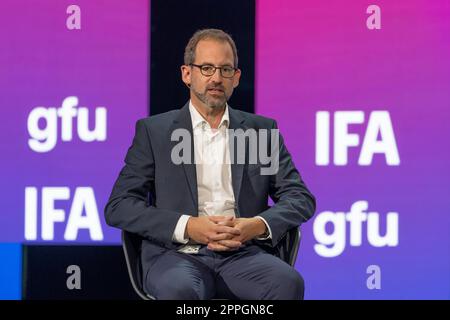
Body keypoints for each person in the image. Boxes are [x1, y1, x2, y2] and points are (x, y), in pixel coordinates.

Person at [105, 28, 316, 300]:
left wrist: (255, 225)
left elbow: (300, 198)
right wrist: (189, 226)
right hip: (177, 255)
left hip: (243, 256)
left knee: (287, 283)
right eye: (206, 68)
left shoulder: (260, 132)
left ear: (236, 78)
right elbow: (119, 206)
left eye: (225, 70)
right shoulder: (154, 132)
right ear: (187, 74)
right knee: (182, 292)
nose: (216, 78)